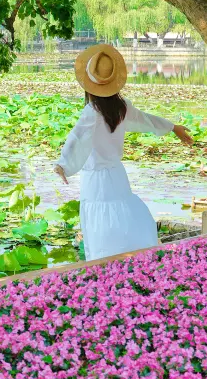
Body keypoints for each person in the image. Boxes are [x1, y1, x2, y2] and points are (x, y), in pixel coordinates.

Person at [54, 44, 193, 261]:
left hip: (96, 179)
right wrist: (172, 127)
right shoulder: (122, 107)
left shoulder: (91, 112)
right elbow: (146, 120)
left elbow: (77, 137)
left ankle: (104, 266)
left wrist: (63, 164)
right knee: (122, 216)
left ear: (89, 86)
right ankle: (129, 259)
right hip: (117, 175)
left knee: (99, 224)